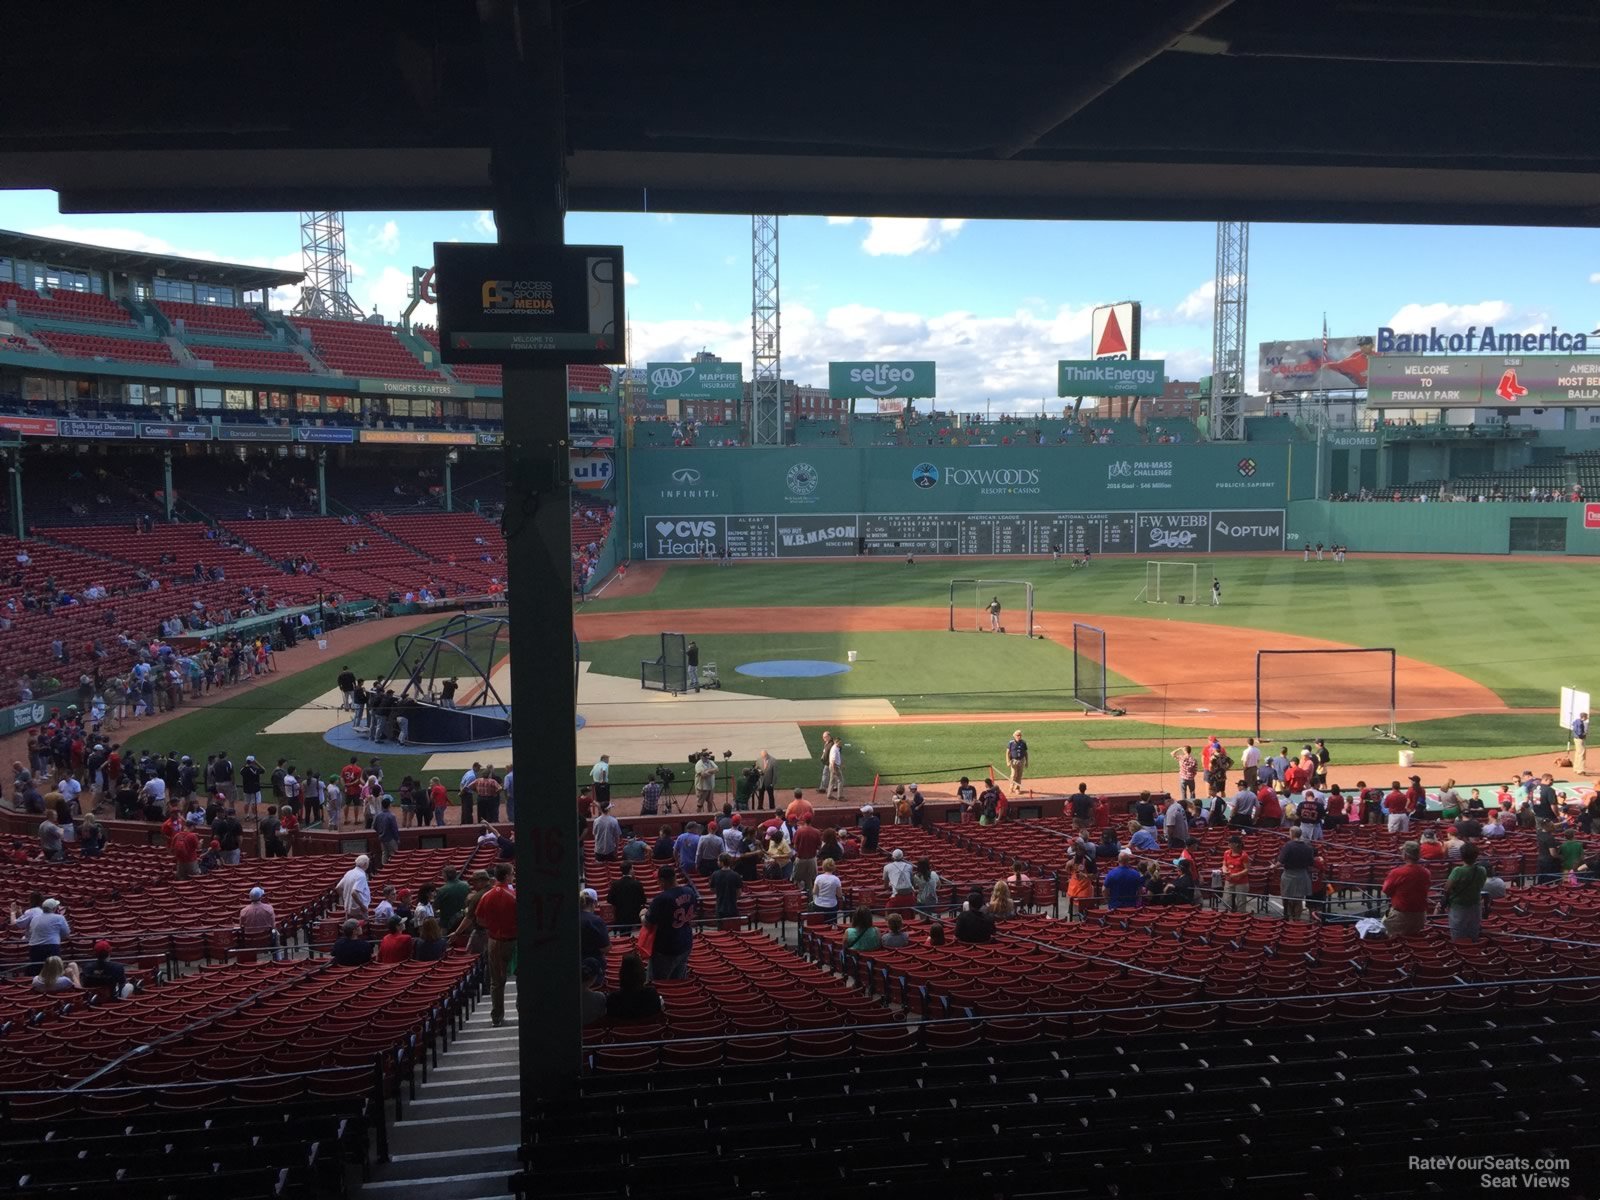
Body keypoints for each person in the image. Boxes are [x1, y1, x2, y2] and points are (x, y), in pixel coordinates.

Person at [474, 863, 518, 1026]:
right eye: (512, 874)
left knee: (497, 981)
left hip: (494, 940)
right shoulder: (514, 895)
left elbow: (479, 920)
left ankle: (497, 1016)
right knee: (522, 977)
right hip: (514, 941)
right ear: (506, 876)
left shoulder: (487, 896)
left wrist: (493, 927)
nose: (513, 876)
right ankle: (522, 1009)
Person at [643, 864, 698, 981]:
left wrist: (642, 914)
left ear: (662, 880)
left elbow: (648, 923)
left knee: (658, 983)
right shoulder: (690, 891)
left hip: (666, 948)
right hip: (686, 943)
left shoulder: (661, 899)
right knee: (678, 982)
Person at [1380, 842, 1431, 936]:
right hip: (1420, 916)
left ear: (1405, 855)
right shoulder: (1426, 872)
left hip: (1401, 916)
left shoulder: (1397, 872)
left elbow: (1386, 890)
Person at [1443, 842, 1487, 941]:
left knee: (1458, 933)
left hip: (1459, 906)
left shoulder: (1458, 871)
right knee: (1473, 932)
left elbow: (1447, 888)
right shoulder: (1482, 870)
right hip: (1475, 904)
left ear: (1462, 856)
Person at [606, 951, 664, 1021]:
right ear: (642, 973)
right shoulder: (651, 994)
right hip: (646, 1030)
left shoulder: (613, 998)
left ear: (621, 974)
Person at [1277, 827, 1317, 921]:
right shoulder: (1307, 847)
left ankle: (1289, 918)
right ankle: (1297, 920)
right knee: (1299, 899)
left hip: (1289, 875)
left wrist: (1273, 867)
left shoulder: (1288, 846)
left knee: (1287, 897)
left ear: (1292, 834)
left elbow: (1280, 862)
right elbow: (1311, 863)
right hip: (1302, 875)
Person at [607, 861, 646, 930]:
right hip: (635, 917)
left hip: (620, 916)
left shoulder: (615, 884)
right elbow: (643, 900)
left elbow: (609, 900)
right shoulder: (637, 884)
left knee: (624, 937)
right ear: (630, 870)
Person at [579, 888, 610, 962]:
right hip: (593, 963)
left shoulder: (571, 919)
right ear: (594, 903)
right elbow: (605, 948)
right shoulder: (596, 921)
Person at [1220, 835, 1251, 912]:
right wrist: (1224, 870)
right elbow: (1224, 864)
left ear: (1236, 844)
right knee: (1226, 900)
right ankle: (1232, 913)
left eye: (1230, 843)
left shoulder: (1244, 855)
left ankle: (1241, 917)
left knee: (1241, 902)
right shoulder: (1226, 853)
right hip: (1229, 881)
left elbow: (1247, 869)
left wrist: (1235, 875)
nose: (1228, 844)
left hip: (1241, 882)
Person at [709, 853, 743, 920]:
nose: (717, 862)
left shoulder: (715, 874)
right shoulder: (736, 875)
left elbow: (712, 889)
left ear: (722, 862)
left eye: (718, 861)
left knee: (721, 928)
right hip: (733, 906)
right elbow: (739, 892)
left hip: (720, 906)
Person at [337, 855, 372, 919]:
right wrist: (362, 906)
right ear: (365, 864)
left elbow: (338, 888)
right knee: (360, 927)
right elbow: (354, 892)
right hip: (358, 909)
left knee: (350, 926)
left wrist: (345, 899)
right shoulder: (361, 876)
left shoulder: (349, 873)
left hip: (348, 908)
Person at [1572, 710, 1588, 775]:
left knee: (1577, 753)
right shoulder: (1581, 723)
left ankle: (1575, 768)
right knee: (1582, 753)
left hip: (1575, 739)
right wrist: (1584, 734)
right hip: (1579, 739)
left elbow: (1573, 725)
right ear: (1583, 717)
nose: (1587, 718)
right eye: (1586, 717)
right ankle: (1580, 770)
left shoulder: (1576, 721)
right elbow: (1579, 733)